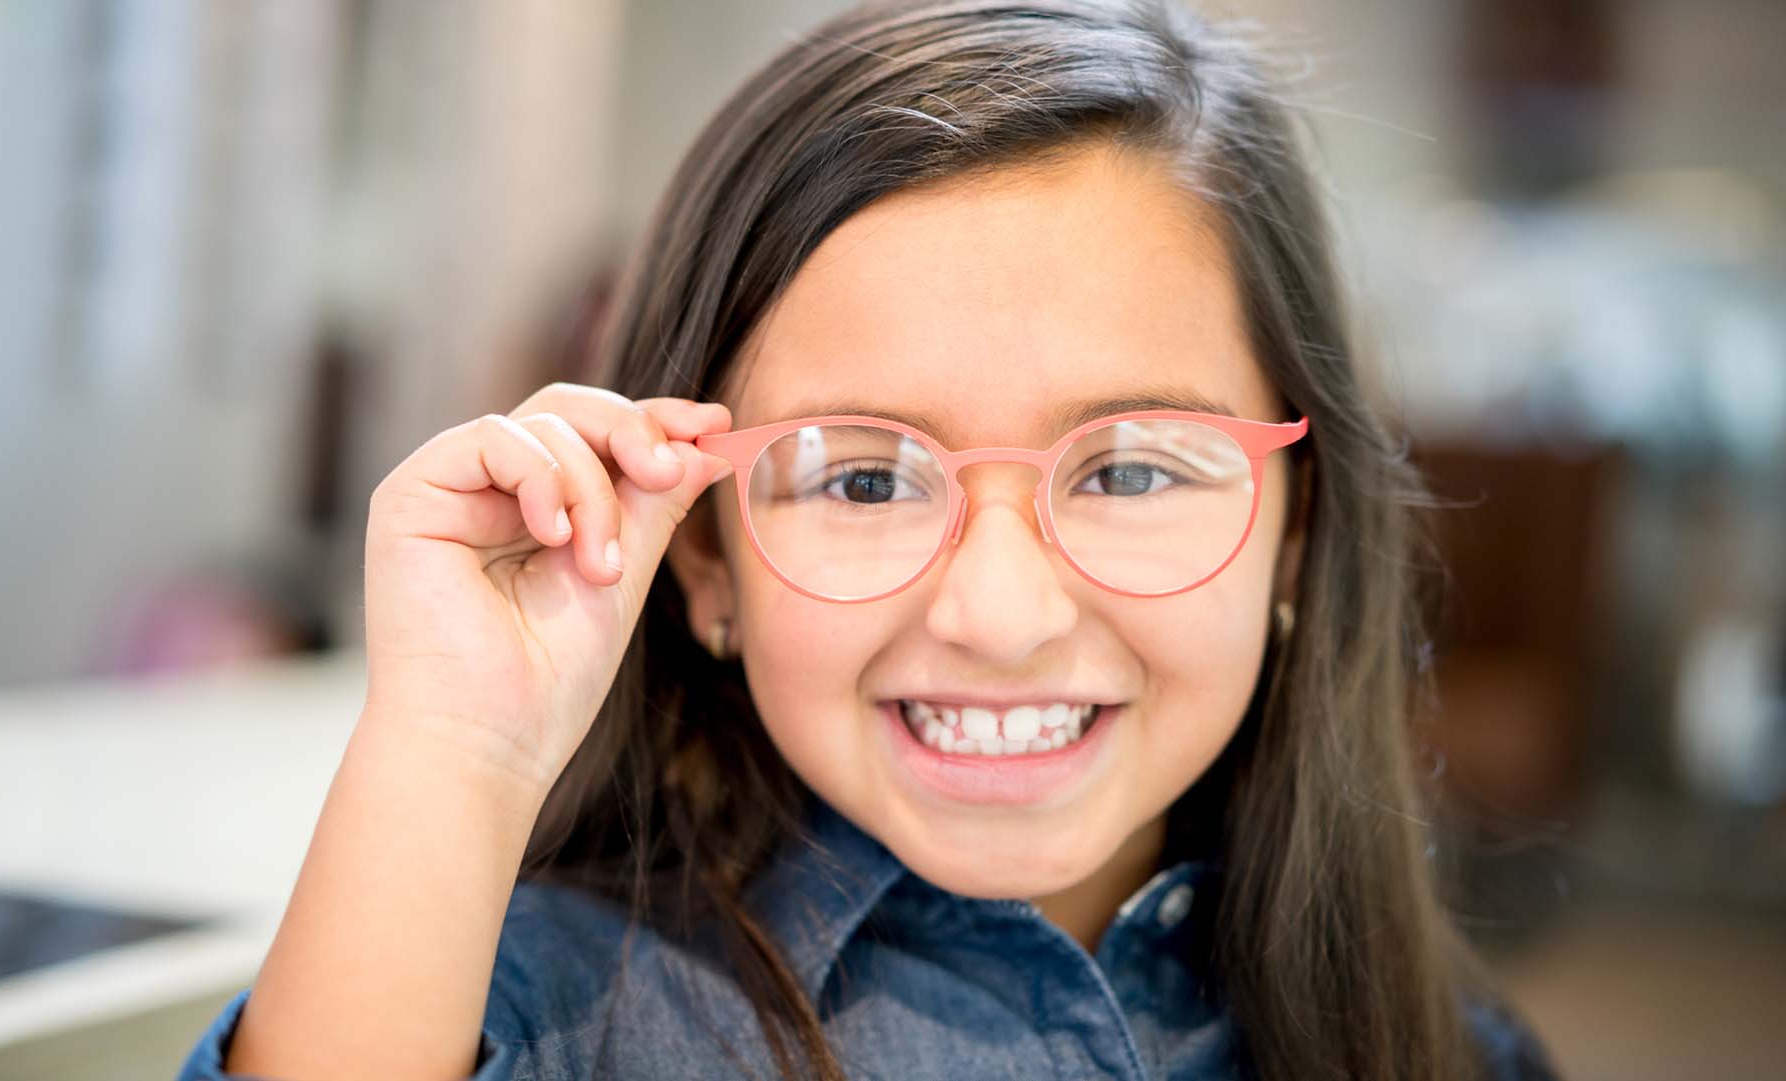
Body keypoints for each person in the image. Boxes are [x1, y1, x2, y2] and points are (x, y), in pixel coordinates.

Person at [177, 1, 1562, 1078]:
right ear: (704, 559)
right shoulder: (550, 1013)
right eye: (860, 481)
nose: (1002, 613)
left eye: (1133, 470)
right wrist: (454, 742)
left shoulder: (1443, 1045)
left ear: (1298, 530)